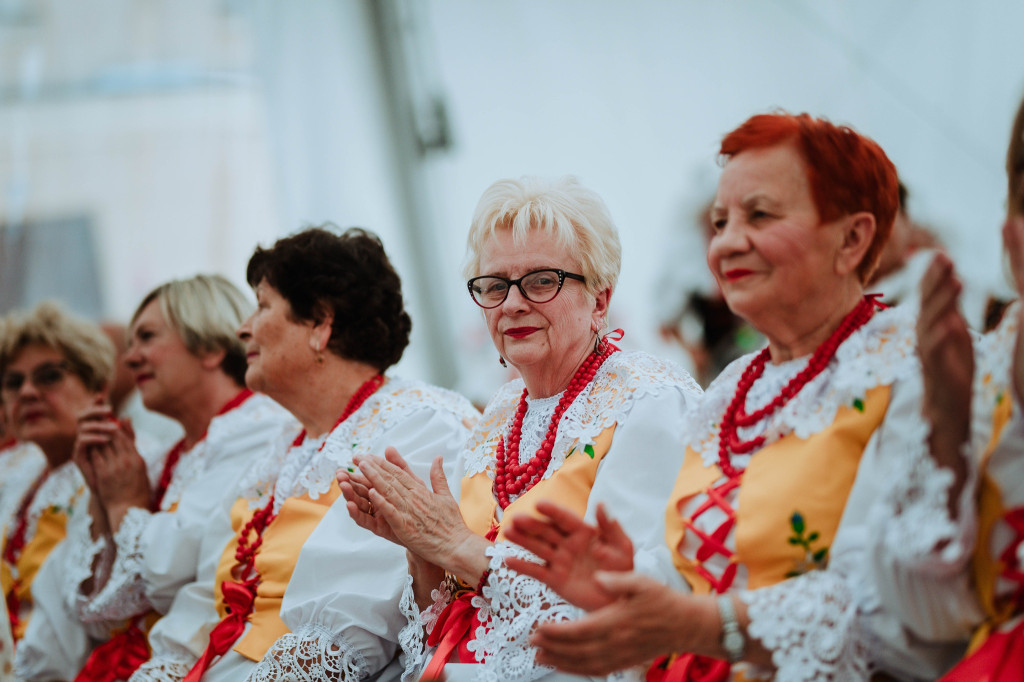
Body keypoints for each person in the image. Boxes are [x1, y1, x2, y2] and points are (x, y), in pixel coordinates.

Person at [501, 114, 966, 680]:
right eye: (720, 222)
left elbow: (912, 622)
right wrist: (624, 585)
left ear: (852, 238)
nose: (727, 243)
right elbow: (690, 573)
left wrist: (704, 623)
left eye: (760, 215)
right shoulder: (733, 388)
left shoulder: (913, 368)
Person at [338, 176, 702, 681]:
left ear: (599, 300)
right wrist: (419, 548)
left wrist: (457, 546)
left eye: (541, 281)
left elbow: (632, 607)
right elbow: (438, 632)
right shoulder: (499, 415)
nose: (511, 304)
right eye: (494, 286)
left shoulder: (648, 400)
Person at [131, 227, 478, 681]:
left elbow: (348, 631)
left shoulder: (417, 423)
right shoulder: (281, 448)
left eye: (262, 306)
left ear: (319, 323)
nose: (243, 328)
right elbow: (202, 604)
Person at [14, 275, 296, 681]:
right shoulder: (165, 458)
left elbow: (176, 578)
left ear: (211, 347)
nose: (129, 359)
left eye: (146, 337)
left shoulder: (262, 433)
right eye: (130, 344)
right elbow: (96, 612)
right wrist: (100, 499)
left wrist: (122, 505)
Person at [0, 302, 115, 649]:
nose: (27, 392)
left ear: (98, 388)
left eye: (49, 376)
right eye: (13, 382)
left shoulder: (130, 465)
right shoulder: (16, 470)